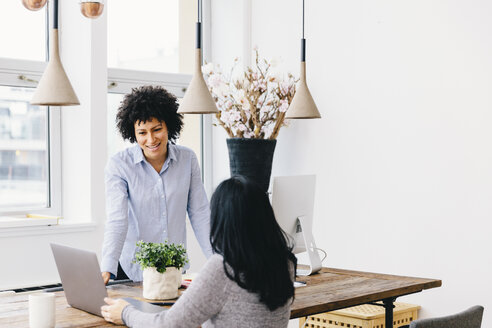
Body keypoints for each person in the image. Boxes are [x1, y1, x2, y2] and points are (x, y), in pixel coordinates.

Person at [101, 176, 297, 328]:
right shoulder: (284, 262)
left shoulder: (223, 268)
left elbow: (169, 325)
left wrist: (125, 313)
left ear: (222, 221)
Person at [101, 85, 212, 284]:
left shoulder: (187, 159)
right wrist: (107, 266)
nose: (151, 139)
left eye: (157, 129)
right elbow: (117, 220)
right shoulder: (119, 165)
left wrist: (220, 261)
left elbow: (200, 213)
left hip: (174, 269)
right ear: (133, 133)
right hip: (133, 271)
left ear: (169, 125)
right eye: (142, 133)